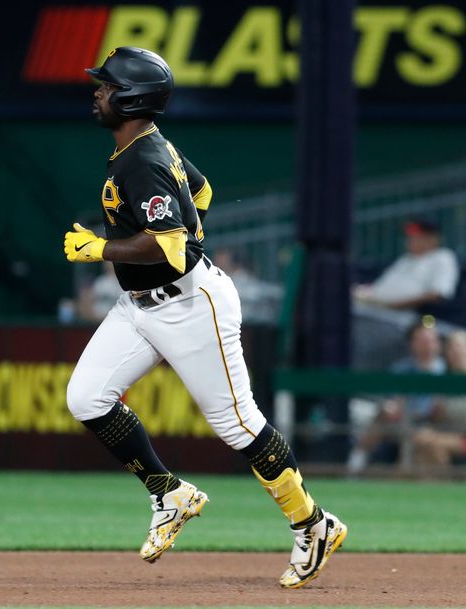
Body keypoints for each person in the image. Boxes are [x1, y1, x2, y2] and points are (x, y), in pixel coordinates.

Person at [62, 47, 346, 589]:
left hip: (192, 305)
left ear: (132, 97)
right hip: (140, 307)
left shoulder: (142, 158)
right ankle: (169, 492)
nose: (96, 92)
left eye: (105, 85)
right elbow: (201, 190)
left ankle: (313, 524)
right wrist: (187, 228)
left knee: (238, 425)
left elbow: (172, 251)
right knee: (86, 397)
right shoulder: (144, 149)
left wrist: (99, 249)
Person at [347, 320, 447, 474]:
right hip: (404, 419)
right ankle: (355, 464)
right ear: (412, 343)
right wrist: (391, 408)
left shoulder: (446, 369)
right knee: (381, 418)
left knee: (422, 433)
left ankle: (402, 474)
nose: (427, 344)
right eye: (422, 339)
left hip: (435, 423)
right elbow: (391, 400)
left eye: (431, 339)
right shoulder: (401, 369)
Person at [353, 218, 459, 311]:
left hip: (405, 318)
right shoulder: (405, 259)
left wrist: (393, 305)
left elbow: (438, 294)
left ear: (433, 238)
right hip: (374, 307)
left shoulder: (443, 257)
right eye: (410, 237)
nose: (410, 240)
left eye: (418, 237)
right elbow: (382, 286)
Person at [413, 330, 466, 469]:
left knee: (433, 443)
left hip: (462, 439)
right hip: (448, 434)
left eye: (460, 347)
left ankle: (443, 485)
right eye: (452, 348)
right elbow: (435, 417)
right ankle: (431, 486)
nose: (456, 352)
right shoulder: (444, 381)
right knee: (423, 438)